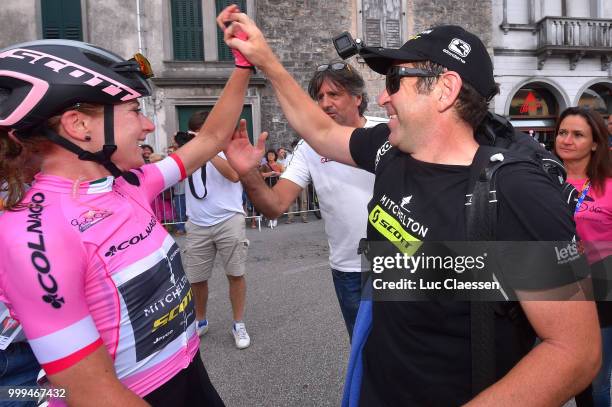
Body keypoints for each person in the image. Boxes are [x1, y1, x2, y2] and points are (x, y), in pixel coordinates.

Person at [222, 12, 600, 406]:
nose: (383, 97)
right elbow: (320, 132)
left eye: (393, 83)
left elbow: (575, 351)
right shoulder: (390, 147)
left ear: (445, 89)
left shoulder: (518, 191)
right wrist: (265, 59)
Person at [0, 10, 253, 405]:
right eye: (135, 111)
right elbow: (91, 392)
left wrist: (243, 64)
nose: (148, 126)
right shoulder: (35, 233)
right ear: (78, 125)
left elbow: (213, 137)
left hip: (189, 372)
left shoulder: (128, 184)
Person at [226, 60, 384, 339]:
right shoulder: (309, 148)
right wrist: (248, 173)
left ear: (358, 98)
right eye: (320, 97)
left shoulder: (388, 133)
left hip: (398, 264)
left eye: (334, 94)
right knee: (365, 353)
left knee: (408, 354)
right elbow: (274, 207)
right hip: (348, 269)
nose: (325, 103)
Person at [554, 107, 612, 407]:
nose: (567, 140)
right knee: (549, 381)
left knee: (595, 385)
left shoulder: (609, 186)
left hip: (600, 294)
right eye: (563, 132)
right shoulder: (543, 182)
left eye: (577, 135)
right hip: (549, 293)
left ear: (594, 143)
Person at [182, 110, 251, 349]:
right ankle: (200, 320)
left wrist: (208, 149)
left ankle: (238, 323)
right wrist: (184, 149)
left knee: (235, 273)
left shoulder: (228, 149)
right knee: (196, 278)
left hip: (228, 219)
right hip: (197, 223)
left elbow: (234, 175)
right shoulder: (187, 151)